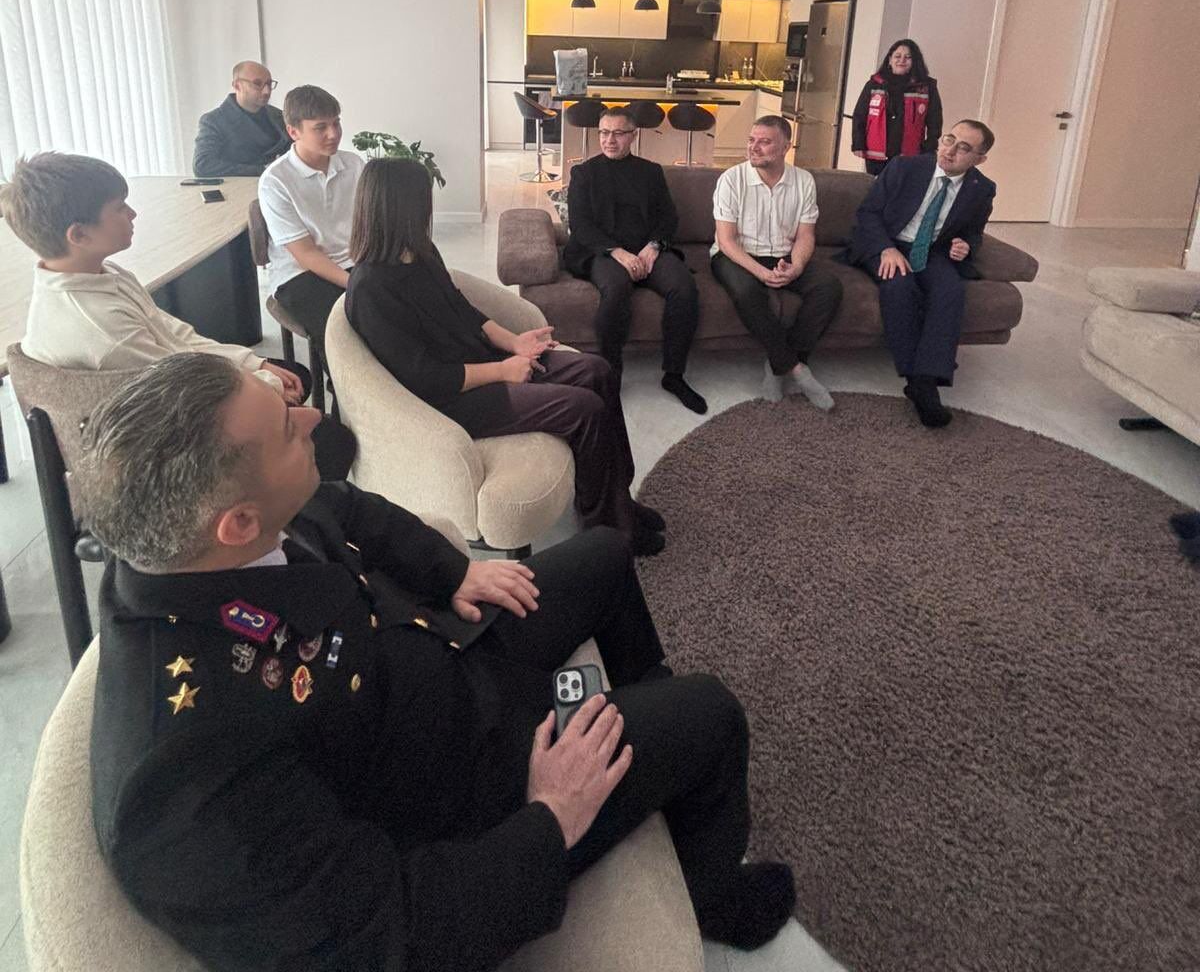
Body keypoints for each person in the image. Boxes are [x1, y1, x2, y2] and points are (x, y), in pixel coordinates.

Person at [80, 353, 796, 971]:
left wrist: (454, 571)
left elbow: (347, 510)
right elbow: (387, 936)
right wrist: (550, 816)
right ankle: (714, 897)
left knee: (607, 557)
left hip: (440, 661)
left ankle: (650, 732)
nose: (313, 420)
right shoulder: (184, 783)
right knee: (710, 715)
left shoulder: (218, 533)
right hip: (464, 794)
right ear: (236, 524)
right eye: (288, 431)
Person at [345, 158, 665, 556]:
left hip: (482, 361)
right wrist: (503, 370)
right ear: (400, 209)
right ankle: (610, 529)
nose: (429, 210)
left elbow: (462, 310)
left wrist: (514, 343)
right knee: (584, 409)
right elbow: (425, 378)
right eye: (423, 201)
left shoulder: (422, 253)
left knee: (598, 371)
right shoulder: (370, 289)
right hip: (455, 398)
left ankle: (615, 498)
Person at [0, 151, 355, 480]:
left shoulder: (100, 274)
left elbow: (174, 336)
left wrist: (254, 365)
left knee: (293, 376)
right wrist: (266, 386)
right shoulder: (100, 330)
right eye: (120, 208)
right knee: (332, 441)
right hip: (164, 442)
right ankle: (284, 506)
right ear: (79, 234)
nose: (133, 214)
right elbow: (185, 386)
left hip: (164, 396)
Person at [844, 119, 996, 429]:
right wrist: (886, 249)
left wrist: (965, 245)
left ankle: (925, 377)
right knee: (899, 285)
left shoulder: (981, 189)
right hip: (886, 242)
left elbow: (974, 232)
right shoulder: (905, 167)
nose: (950, 151)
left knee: (950, 290)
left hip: (933, 250)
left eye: (963, 148)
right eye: (948, 140)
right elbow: (868, 213)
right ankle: (921, 385)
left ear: (979, 159)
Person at [563, 110, 706, 415]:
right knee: (616, 288)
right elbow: (581, 225)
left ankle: (674, 375)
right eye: (604, 132)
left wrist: (653, 247)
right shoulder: (584, 174)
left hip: (647, 248)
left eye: (618, 133)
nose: (609, 140)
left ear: (633, 135)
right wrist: (617, 252)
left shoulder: (650, 172)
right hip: (603, 251)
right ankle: (610, 374)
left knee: (684, 287)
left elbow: (668, 217)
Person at [710, 116, 844, 407]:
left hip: (783, 254)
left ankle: (777, 364)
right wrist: (761, 272)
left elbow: (806, 235)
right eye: (751, 140)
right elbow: (726, 241)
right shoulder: (731, 179)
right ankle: (796, 369)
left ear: (785, 147)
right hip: (737, 255)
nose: (754, 147)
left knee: (829, 287)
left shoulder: (803, 181)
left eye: (765, 141)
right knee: (747, 292)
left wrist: (796, 266)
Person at [257, 83, 363, 363]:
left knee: (396, 312)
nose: (333, 134)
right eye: (320, 127)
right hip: (299, 273)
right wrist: (356, 284)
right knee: (341, 332)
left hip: (352, 260)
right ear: (294, 132)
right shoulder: (275, 181)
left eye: (336, 123)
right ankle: (345, 387)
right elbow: (305, 254)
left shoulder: (354, 165)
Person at [850, 39, 943, 176]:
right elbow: (860, 115)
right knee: (877, 187)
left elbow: (935, 119)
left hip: (910, 153)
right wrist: (858, 144)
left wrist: (929, 147)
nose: (902, 60)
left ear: (915, 61)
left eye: (908, 57)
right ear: (890, 60)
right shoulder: (874, 84)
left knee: (903, 187)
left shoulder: (926, 87)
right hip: (876, 153)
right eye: (897, 56)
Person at [193, 61, 291, 179]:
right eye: (257, 84)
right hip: (240, 188)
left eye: (269, 84)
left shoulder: (279, 115)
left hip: (282, 183)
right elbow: (203, 165)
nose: (267, 91)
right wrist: (262, 169)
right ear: (237, 86)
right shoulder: (214, 121)